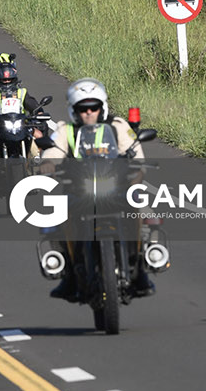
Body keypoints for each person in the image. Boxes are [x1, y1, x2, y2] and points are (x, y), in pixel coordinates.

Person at [38, 78, 153, 300]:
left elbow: (136, 153)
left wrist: (136, 173)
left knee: (146, 212)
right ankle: (67, 272)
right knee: (53, 220)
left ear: (102, 107)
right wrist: (48, 163)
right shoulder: (65, 130)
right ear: (74, 110)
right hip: (78, 191)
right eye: (83, 109)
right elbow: (52, 151)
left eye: (94, 107)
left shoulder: (118, 126)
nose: (89, 112)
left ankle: (144, 263)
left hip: (116, 187)